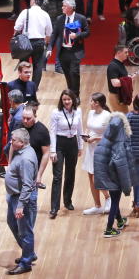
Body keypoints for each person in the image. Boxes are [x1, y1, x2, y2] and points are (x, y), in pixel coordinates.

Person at [92, 113, 134, 238]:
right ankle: (109, 229)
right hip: (115, 178)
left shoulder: (103, 140)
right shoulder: (119, 146)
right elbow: (122, 168)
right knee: (115, 202)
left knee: (114, 199)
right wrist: (127, 187)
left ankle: (120, 221)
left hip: (105, 177)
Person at [4, 128, 38, 275]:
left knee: (25, 231)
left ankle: (26, 263)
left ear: (22, 142)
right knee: (12, 223)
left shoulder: (26, 159)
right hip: (15, 197)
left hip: (22, 199)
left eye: (14, 140)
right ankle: (29, 252)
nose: (11, 142)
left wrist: (20, 206)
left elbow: (27, 184)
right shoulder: (21, 151)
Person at [47, 90, 83, 219]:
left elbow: (80, 129)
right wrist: (52, 150)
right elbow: (52, 132)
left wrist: (80, 146)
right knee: (57, 176)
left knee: (70, 173)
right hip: (59, 144)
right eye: (64, 100)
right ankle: (54, 207)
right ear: (61, 101)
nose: (66, 102)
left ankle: (67, 201)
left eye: (68, 99)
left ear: (73, 100)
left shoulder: (78, 111)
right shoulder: (56, 113)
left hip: (72, 143)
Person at [51, 0, 89, 96]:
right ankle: (71, 93)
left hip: (75, 51)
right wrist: (49, 48)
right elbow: (54, 34)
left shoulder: (81, 18)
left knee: (74, 73)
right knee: (67, 74)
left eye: (64, 6)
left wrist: (77, 35)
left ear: (71, 8)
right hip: (63, 51)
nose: (62, 7)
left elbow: (87, 32)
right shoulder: (60, 18)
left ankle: (76, 95)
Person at [13, 0, 53, 88]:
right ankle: (34, 88)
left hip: (25, 42)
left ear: (34, 1)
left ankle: (23, 85)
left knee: (23, 64)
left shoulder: (25, 12)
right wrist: (45, 44)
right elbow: (49, 32)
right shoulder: (45, 14)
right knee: (38, 65)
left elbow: (17, 27)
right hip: (39, 42)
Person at [82, 93, 112, 215]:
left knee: (97, 177)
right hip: (91, 148)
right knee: (91, 175)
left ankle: (108, 198)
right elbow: (90, 128)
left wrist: (95, 139)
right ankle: (97, 205)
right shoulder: (90, 113)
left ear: (97, 103)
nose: (90, 103)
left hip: (102, 148)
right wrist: (86, 135)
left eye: (91, 101)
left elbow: (110, 136)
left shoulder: (107, 115)